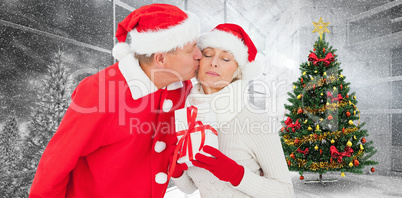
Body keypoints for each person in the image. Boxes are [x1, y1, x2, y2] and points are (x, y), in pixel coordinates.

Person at [29, 4, 201, 198]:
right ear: (161, 59)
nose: (199, 55)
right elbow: (55, 164)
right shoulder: (100, 92)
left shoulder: (181, 88)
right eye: (191, 50)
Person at [171, 23, 294, 197]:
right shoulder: (188, 117)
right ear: (199, 62)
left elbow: (285, 192)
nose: (214, 63)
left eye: (226, 59)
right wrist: (176, 170)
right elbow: (191, 187)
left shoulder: (254, 120)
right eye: (208, 55)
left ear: (237, 71)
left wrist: (237, 175)